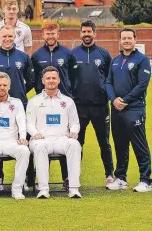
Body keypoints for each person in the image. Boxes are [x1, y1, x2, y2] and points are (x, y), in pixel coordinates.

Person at [0, 25, 35, 191]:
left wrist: (19, 94)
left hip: (19, 104)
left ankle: (28, 178)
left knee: (24, 140)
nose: (7, 39)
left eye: (10, 36)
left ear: (15, 37)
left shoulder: (23, 57)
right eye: (4, 36)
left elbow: (31, 79)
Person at [105, 28, 152, 192]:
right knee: (120, 144)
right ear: (120, 40)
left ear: (135, 40)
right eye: (123, 38)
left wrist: (125, 100)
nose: (126, 41)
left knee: (139, 144)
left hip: (134, 108)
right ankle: (121, 178)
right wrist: (114, 99)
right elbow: (108, 83)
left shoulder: (142, 60)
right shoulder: (115, 60)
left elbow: (142, 85)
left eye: (129, 38)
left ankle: (146, 180)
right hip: (117, 109)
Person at [31, 20, 76, 185]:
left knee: (63, 137)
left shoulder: (67, 54)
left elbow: (73, 77)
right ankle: (42, 178)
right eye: (47, 33)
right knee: (43, 138)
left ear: (58, 34)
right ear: (42, 34)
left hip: (63, 103)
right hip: (43, 103)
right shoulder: (36, 55)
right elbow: (33, 78)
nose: (50, 36)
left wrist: (70, 95)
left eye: (53, 33)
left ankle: (67, 177)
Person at [26, 66, 82, 199]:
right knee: (39, 147)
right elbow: (29, 122)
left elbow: (75, 122)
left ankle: (74, 188)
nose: (51, 81)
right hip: (41, 139)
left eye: (54, 78)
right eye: (48, 78)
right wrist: (35, 133)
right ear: (43, 81)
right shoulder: (34, 101)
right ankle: (43, 189)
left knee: (74, 145)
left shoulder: (68, 101)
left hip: (61, 139)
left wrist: (73, 132)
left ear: (58, 80)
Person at [72, 20, 114, 187]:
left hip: (100, 106)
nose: (86, 34)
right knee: (77, 143)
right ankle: (75, 176)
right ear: (80, 34)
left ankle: (109, 174)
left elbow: (110, 79)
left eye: (89, 31)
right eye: (84, 31)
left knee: (104, 141)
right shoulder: (73, 54)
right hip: (79, 106)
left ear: (95, 33)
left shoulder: (104, 55)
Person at [0, 72, 30, 200]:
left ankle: (17, 189)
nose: (2, 87)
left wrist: (22, 137)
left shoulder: (17, 102)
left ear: (9, 86)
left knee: (24, 151)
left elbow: (21, 121)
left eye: (4, 85)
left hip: (11, 141)